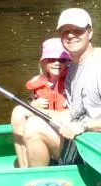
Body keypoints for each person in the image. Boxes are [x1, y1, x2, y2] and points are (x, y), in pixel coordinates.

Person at [16, 8, 101, 167]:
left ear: (90, 33)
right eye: (65, 31)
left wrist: (83, 126)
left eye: (77, 30)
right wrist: (37, 111)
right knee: (25, 115)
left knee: (34, 127)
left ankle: (39, 184)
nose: (71, 35)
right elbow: (76, 113)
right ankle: (32, 169)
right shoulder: (72, 69)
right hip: (82, 140)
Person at [11, 38, 71, 167]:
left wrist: (100, 52)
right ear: (43, 62)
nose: (57, 63)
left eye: (62, 60)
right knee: (17, 112)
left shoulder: (73, 79)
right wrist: (34, 106)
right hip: (50, 126)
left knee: (33, 123)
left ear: (69, 61)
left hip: (65, 134)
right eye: (51, 59)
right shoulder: (38, 82)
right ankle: (24, 166)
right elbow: (33, 105)